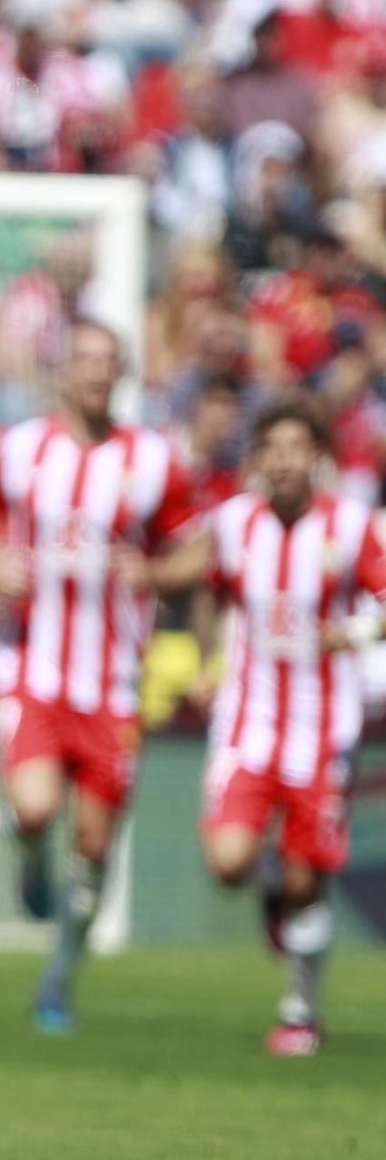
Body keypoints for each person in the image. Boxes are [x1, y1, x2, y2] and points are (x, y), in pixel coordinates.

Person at [0, 320, 200, 1034]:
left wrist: (154, 570)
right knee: (35, 808)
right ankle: (31, 856)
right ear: (64, 370)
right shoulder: (21, 448)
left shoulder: (154, 460)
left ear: (121, 373)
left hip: (115, 682)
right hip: (31, 666)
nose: (96, 372)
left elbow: (197, 551)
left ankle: (58, 980)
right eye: (85, 359)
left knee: (93, 846)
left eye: (109, 361)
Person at [138, 397, 386, 1056]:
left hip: (322, 730)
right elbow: (211, 587)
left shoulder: (352, 526)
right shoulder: (235, 522)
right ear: (258, 459)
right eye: (270, 446)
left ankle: (300, 1010)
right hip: (247, 722)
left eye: (294, 446)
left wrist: (355, 630)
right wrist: (210, 655)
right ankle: (274, 893)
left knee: (308, 882)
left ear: (318, 457)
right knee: (227, 861)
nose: (282, 459)